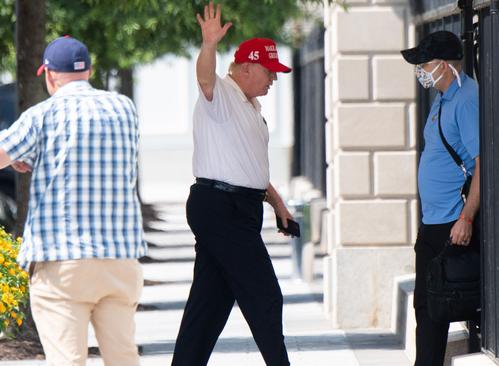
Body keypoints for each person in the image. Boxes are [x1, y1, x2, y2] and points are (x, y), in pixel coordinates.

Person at [0, 36, 147, 366]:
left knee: (67, 360)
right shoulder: (125, 109)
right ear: (90, 70)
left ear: (49, 75)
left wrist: (18, 156)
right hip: (120, 260)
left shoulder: (43, 115)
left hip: (63, 262)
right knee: (123, 358)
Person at [171, 3, 294, 365]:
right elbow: (205, 78)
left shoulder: (251, 107)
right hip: (220, 207)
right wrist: (208, 45)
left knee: (209, 305)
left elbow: (250, 170)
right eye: (269, 71)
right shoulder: (221, 96)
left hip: (237, 207)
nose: (274, 78)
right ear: (245, 67)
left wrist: (279, 206)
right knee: (265, 295)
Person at [400, 31, 480, 366]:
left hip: (452, 223)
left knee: (438, 311)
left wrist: (467, 217)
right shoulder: (443, 99)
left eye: (426, 63)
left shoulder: (466, 99)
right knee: (426, 310)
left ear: (446, 65)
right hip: (432, 223)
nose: (420, 70)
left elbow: (481, 162)